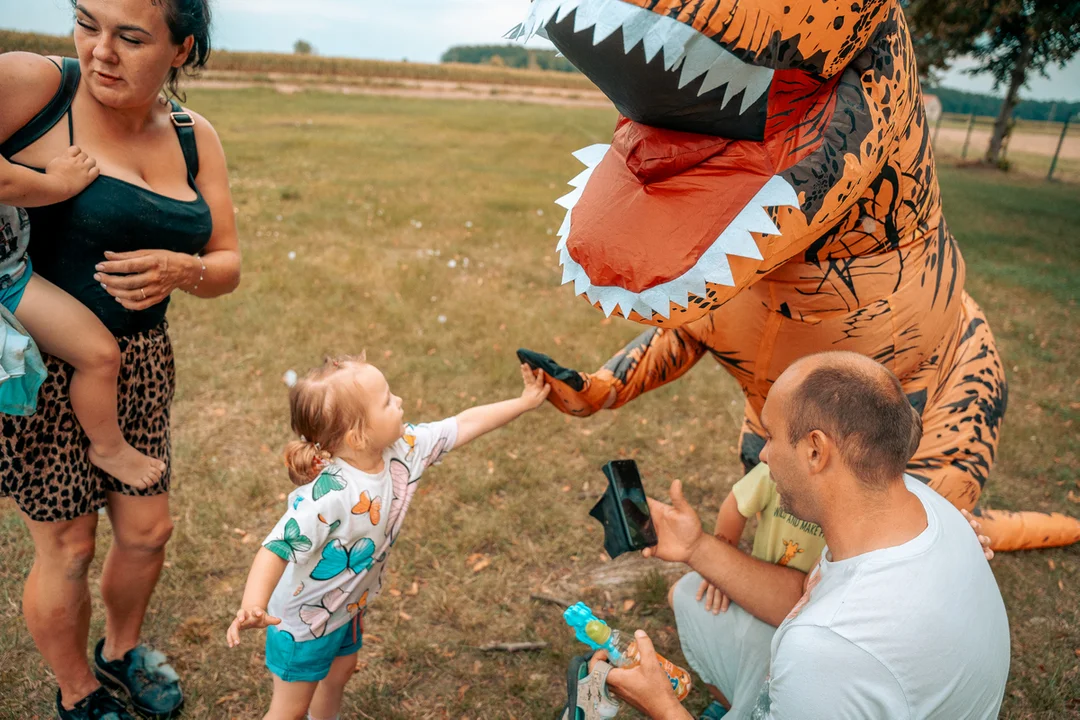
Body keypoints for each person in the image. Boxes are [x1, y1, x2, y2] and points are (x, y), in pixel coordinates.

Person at [0, 0, 241, 717]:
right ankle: (78, 695)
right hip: (36, 367)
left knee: (146, 532)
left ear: (180, 49)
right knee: (68, 549)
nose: (100, 50)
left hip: (138, 363)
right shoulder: (33, 86)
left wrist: (182, 268)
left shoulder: (198, 138)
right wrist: (40, 188)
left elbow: (226, 262)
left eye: (130, 36)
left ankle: (122, 652)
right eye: (86, 23)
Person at [593, 351, 1010, 720]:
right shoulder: (913, 503)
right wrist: (695, 547)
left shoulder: (828, 648)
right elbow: (806, 595)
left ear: (815, 451)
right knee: (690, 595)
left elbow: (829, 638)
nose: (763, 454)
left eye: (771, 436)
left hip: (830, 677)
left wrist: (661, 706)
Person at [226, 356, 550, 720]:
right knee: (290, 710)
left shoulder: (405, 448)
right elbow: (276, 547)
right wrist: (254, 602)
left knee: (340, 674)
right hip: (301, 624)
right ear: (358, 436)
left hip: (345, 609)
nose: (399, 402)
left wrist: (523, 403)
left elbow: (462, 424)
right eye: (386, 401)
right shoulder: (328, 495)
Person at [1, 145, 168, 489]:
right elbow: (4, 181)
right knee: (99, 355)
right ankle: (108, 447)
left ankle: (108, 448)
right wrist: (61, 182)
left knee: (100, 355)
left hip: (10, 276)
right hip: (8, 280)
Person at [693, 462, 826, 617]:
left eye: (770, 439)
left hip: (806, 605)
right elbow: (735, 504)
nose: (762, 454)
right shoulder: (771, 469)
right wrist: (721, 563)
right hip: (756, 583)